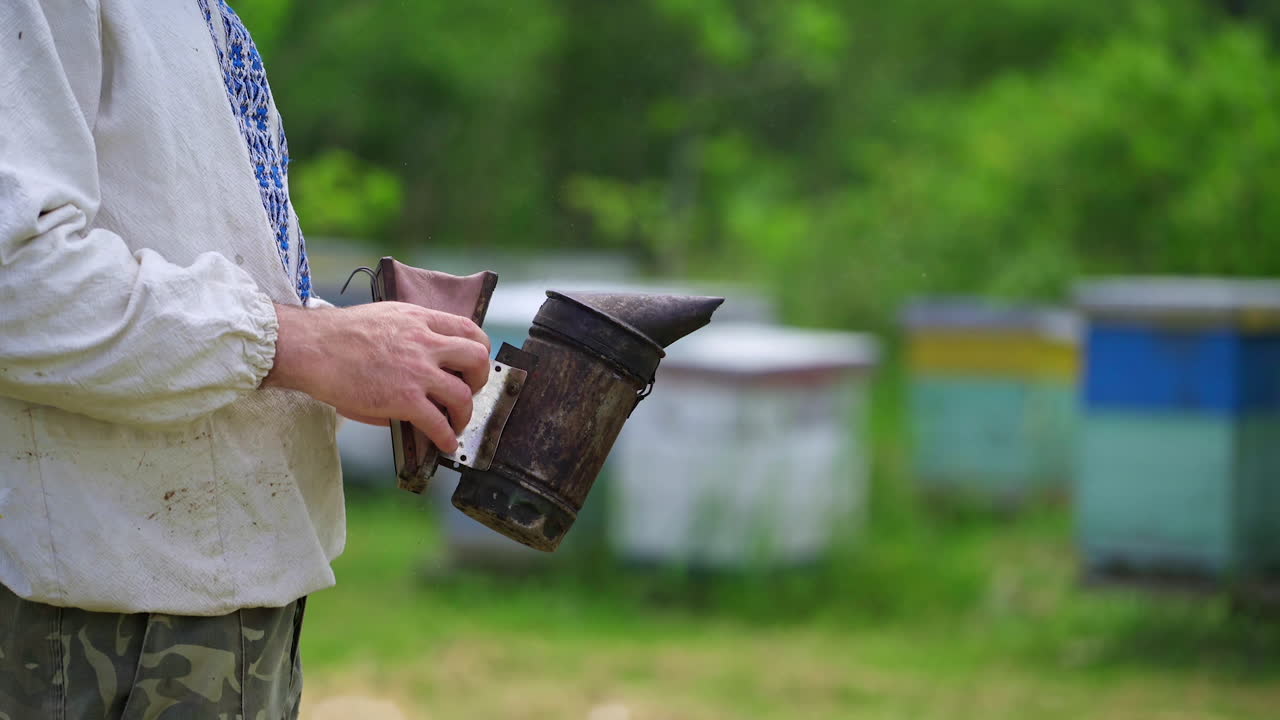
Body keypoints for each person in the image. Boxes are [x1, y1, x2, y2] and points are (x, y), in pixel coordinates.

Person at [0, 1, 491, 717]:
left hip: (223, 603)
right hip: (110, 625)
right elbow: (18, 281)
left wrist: (343, 348)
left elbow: (189, 250)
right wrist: (300, 344)